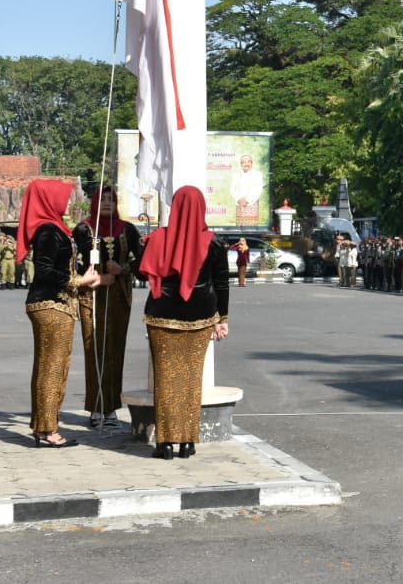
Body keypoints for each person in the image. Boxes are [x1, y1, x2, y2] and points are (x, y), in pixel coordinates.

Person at [20, 179, 113, 447]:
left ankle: (42, 427)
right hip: (52, 304)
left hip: (52, 304)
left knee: (46, 366)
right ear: (51, 200)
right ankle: (48, 430)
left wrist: (85, 276)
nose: (70, 202)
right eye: (65, 197)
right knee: (52, 368)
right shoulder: (49, 230)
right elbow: (45, 269)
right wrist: (79, 281)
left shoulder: (54, 228)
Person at [139, 186, 230, 460]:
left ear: (174, 207)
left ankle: (165, 443)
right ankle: (187, 442)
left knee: (166, 379)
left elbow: (142, 273)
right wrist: (222, 319)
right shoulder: (212, 243)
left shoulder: (159, 239)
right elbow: (222, 285)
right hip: (201, 316)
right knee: (191, 379)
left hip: (162, 315)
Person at [75, 185, 143, 429]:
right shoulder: (84, 229)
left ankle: (112, 407)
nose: (106, 203)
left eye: (111, 200)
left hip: (119, 297)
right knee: (94, 348)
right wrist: (97, 274)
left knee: (116, 350)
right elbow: (75, 263)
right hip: (91, 297)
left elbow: (141, 264)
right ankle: (95, 407)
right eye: (102, 199)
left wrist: (123, 269)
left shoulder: (129, 230)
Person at [229, 153, 264, 225]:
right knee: (239, 230)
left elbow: (258, 190)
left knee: (251, 231)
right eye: (244, 162)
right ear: (241, 164)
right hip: (239, 205)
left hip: (252, 205)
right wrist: (239, 199)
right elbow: (232, 189)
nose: (246, 164)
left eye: (248, 161)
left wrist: (247, 200)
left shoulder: (258, 175)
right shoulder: (236, 175)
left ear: (252, 163)